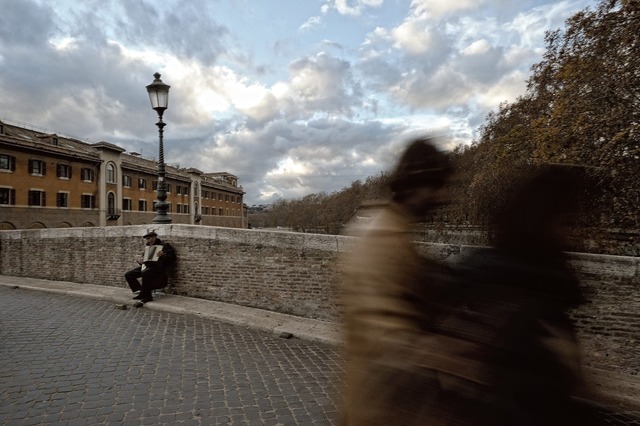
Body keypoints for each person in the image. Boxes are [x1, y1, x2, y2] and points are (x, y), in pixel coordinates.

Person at [340, 137, 454, 425]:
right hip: (383, 410)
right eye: (437, 187)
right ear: (415, 187)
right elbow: (387, 341)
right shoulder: (383, 241)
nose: (444, 197)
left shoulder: (395, 235)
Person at [125, 229, 176, 304]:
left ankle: (147, 297)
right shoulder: (147, 247)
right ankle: (141, 292)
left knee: (145, 273)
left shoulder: (164, 245)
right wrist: (140, 261)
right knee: (129, 274)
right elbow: (145, 259)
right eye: (147, 239)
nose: (148, 240)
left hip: (159, 267)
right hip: (148, 266)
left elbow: (172, 258)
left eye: (149, 238)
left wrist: (164, 255)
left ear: (155, 237)